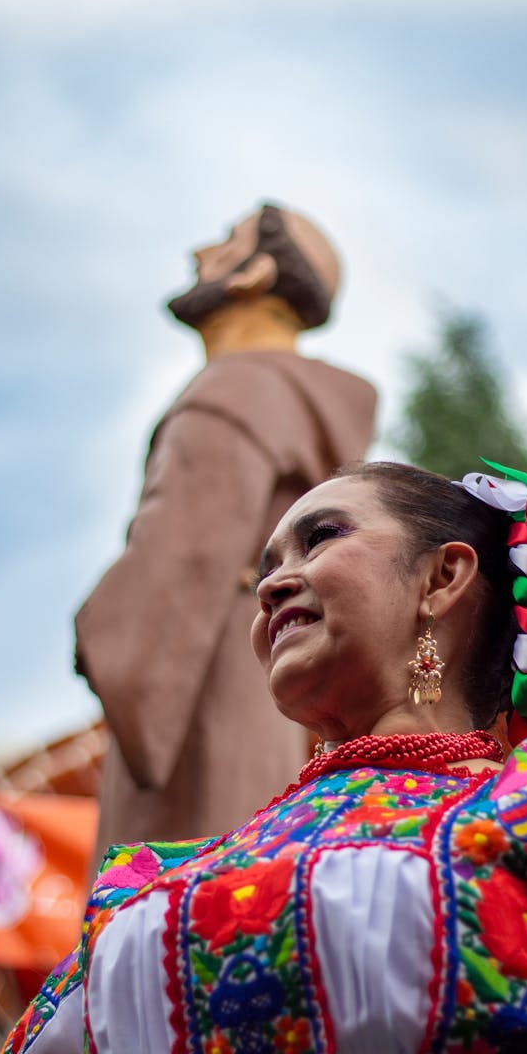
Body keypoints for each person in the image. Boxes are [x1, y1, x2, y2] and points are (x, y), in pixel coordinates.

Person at [0, 460, 527, 1054]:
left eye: (320, 537)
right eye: (265, 569)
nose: (271, 586)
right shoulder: (154, 884)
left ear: (443, 576)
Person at [74, 202, 377, 863]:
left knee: (171, 891)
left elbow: (176, 561)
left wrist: (99, 627)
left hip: (193, 681)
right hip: (254, 680)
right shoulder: (298, 409)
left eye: (226, 242)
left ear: (254, 274)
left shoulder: (235, 392)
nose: (199, 252)